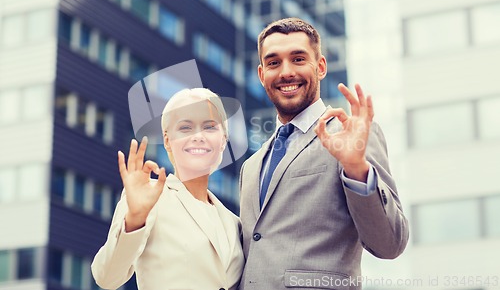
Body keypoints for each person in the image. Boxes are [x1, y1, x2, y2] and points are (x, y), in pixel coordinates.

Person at [239, 18, 409, 290]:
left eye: (298, 59)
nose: (285, 72)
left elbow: (390, 243)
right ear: (261, 75)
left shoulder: (351, 134)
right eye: (273, 63)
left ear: (320, 67)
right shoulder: (252, 165)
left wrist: (355, 167)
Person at [91, 88, 244, 290]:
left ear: (223, 140)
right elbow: (107, 277)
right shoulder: (151, 198)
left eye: (209, 127)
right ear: (167, 141)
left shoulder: (234, 223)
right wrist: (136, 218)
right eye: (186, 128)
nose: (198, 136)